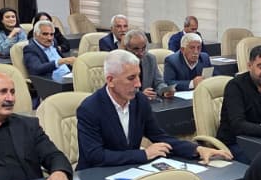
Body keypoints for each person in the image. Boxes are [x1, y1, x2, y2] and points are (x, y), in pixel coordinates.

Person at [76, 50, 231, 169]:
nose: (138, 84)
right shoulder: (90, 108)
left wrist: (197, 149)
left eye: (138, 76)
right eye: (131, 78)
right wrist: (143, 154)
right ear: (110, 80)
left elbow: (159, 136)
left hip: (128, 170)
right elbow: (95, 156)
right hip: (94, 176)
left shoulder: (139, 101)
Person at [122, 28, 171, 100]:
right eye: (136, 49)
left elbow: (158, 82)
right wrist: (140, 95)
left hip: (149, 102)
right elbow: (120, 90)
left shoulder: (150, 59)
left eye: (143, 48)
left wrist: (164, 90)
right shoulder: (120, 63)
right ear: (126, 48)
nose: (141, 53)